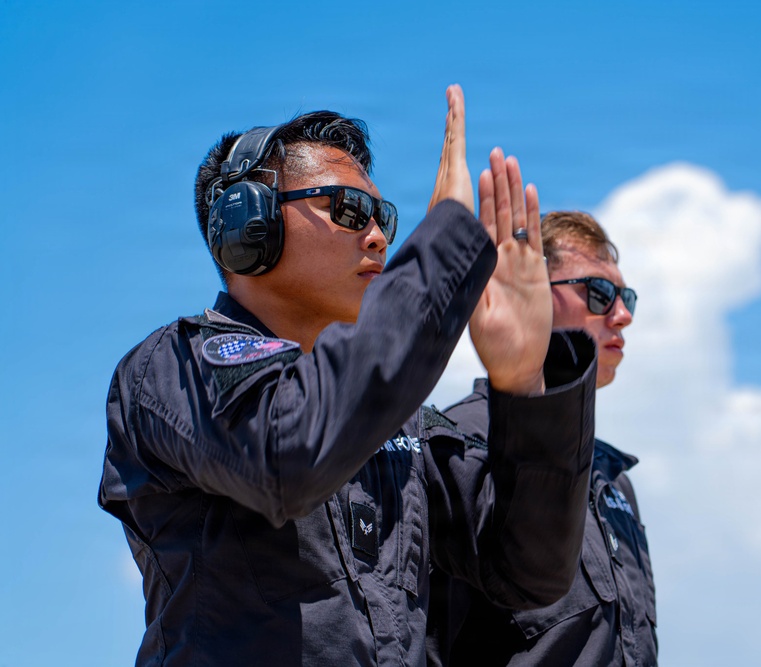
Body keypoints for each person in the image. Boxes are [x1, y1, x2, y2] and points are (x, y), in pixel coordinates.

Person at [99, 86, 598, 666]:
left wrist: (524, 384)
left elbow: (528, 572)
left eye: (383, 217)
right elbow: (290, 453)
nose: (379, 236)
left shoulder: (401, 424)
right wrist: (444, 251)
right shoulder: (174, 368)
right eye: (348, 209)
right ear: (249, 223)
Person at [427, 211, 657, 666]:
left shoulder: (614, 480)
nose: (623, 316)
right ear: (529, 289)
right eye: (600, 293)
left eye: (626, 296)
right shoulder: (458, 444)